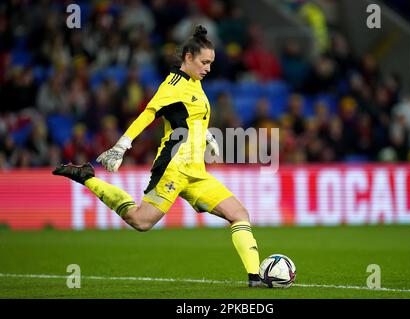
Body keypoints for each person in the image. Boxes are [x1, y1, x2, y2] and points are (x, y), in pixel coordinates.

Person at [52, 25, 263, 288]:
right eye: (204, 62)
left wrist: (207, 137)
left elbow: (191, 117)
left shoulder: (196, 83)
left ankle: (255, 279)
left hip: (196, 172)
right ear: (188, 57)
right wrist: (122, 146)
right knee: (141, 221)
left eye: (211, 63)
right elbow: (148, 114)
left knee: (239, 213)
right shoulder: (172, 85)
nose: (208, 68)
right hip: (173, 166)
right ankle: (87, 177)